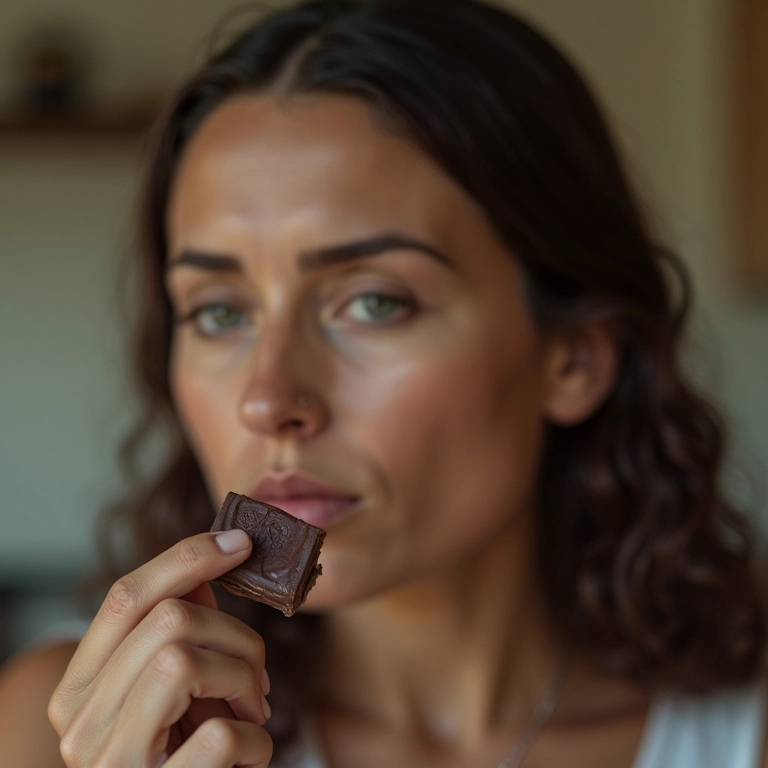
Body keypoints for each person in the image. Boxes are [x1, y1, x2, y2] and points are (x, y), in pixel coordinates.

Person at [0, 0, 765, 765]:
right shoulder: (61, 729)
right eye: (220, 311)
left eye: (375, 302)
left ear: (573, 358)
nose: (266, 398)